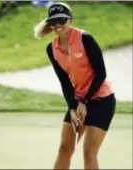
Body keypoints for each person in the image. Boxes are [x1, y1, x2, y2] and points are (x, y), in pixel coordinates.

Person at [34, 2, 116, 169]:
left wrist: (84, 102)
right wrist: (73, 107)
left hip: (102, 100)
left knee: (89, 151)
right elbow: (64, 81)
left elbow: (101, 73)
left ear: (70, 20)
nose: (58, 26)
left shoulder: (85, 38)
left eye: (62, 21)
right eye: (54, 22)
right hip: (78, 100)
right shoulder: (52, 49)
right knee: (65, 148)